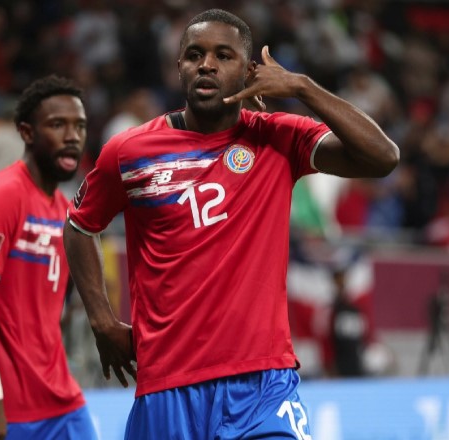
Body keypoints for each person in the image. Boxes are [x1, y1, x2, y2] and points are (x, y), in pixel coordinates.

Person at [64, 8, 399, 440]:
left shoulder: (279, 138)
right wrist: (102, 321)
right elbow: (78, 226)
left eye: (224, 55)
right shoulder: (130, 151)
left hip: (263, 385)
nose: (207, 64)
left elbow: (382, 156)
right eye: (194, 55)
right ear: (178, 66)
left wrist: (301, 86)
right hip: (169, 385)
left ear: (249, 71)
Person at [0, 75, 97, 440]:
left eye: (79, 126)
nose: (72, 136)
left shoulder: (64, 210)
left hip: (58, 395)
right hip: (5, 403)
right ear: (27, 133)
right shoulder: (6, 195)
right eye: (57, 125)